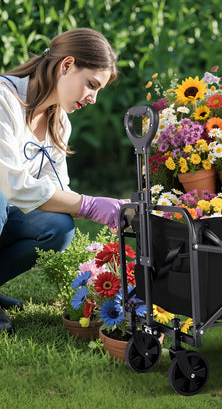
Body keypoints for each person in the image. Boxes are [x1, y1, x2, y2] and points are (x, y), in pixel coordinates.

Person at [0, 28, 125, 333]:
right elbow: (10, 184)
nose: (93, 99)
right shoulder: (5, 99)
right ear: (66, 66)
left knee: (58, 227)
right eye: (91, 85)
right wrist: (90, 205)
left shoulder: (59, 123)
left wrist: (109, 218)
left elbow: (56, 192)